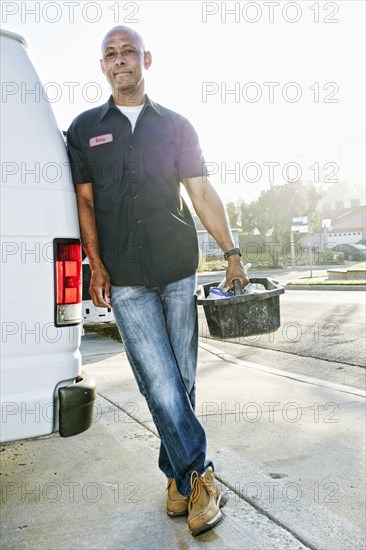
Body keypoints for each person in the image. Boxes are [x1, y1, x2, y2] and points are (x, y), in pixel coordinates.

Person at [67, 25, 248, 537]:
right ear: (102, 66)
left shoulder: (176, 126)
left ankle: (175, 479)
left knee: (182, 383)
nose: (120, 60)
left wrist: (232, 252)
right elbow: (84, 202)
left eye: (128, 52)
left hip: (175, 270)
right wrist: (95, 265)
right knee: (160, 383)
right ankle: (202, 480)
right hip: (124, 278)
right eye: (110, 54)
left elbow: (202, 192)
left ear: (146, 59)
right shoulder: (84, 129)